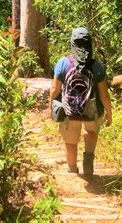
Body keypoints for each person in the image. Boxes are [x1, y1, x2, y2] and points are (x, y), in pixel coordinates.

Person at [48, 27, 112, 176]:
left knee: (70, 141)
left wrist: (50, 107)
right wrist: (109, 113)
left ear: (72, 43)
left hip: (69, 112)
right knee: (90, 132)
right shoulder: (96, 66)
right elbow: (104, 96)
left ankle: (72, 169)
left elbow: (55, 89)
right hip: (92, 111)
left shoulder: (63, 63)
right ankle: (88, 161)